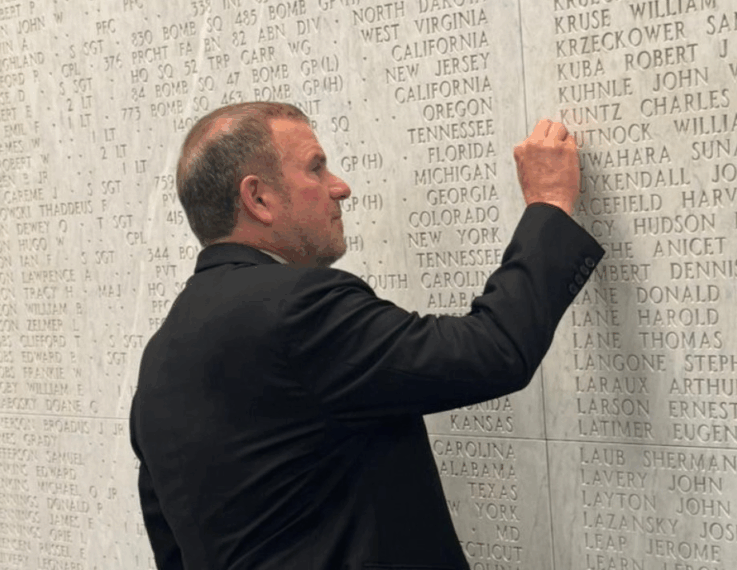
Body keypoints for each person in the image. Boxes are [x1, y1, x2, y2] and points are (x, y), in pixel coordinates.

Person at [129, 102, 603, 569]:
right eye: (316, 169)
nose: (341, 187)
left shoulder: (158, 360)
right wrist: (549, 206)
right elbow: (493, 350)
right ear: (258, 198)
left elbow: (174, 552)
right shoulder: (298, 308)